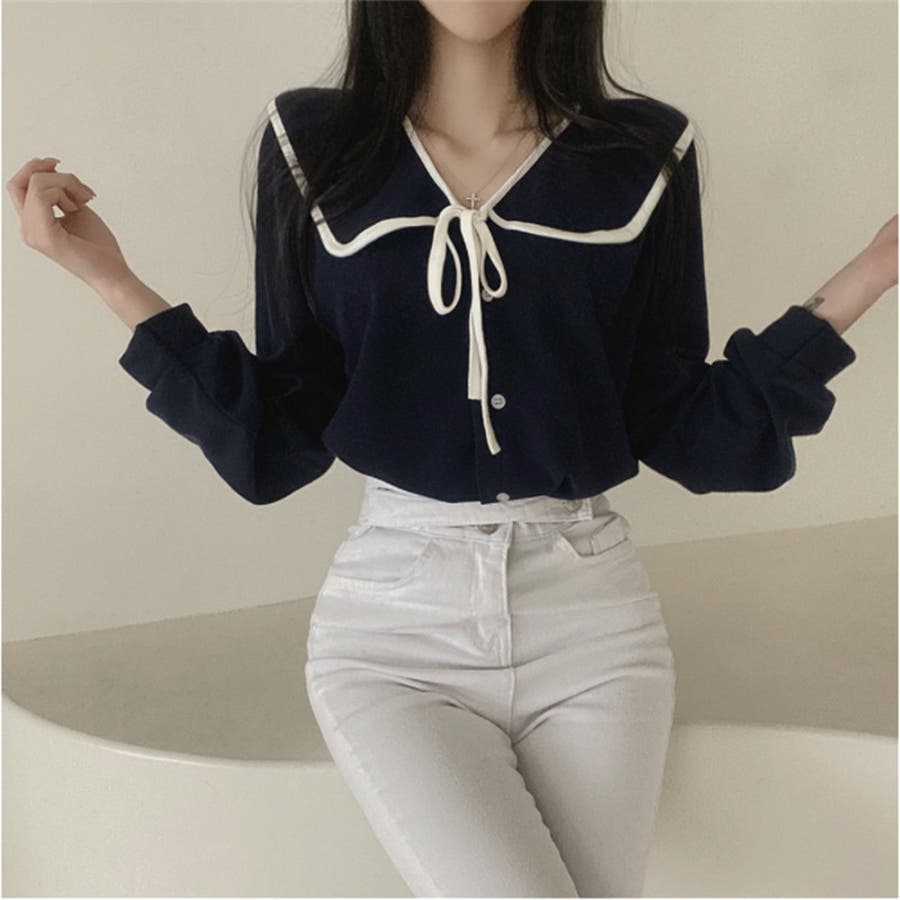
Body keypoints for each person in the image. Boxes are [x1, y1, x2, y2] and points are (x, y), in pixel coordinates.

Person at [7, 1, 896, 896]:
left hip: (593, 626)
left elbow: (693, 429)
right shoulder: (310, 146)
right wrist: (111, 280)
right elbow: (276, 438)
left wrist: (872, 270)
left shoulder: (645, 155)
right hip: (397, 629)